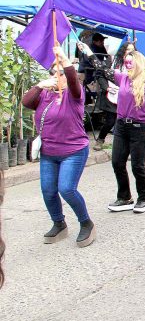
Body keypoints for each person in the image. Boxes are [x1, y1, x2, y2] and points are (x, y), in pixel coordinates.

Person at [22, 46, 96, 247]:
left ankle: (86, 223)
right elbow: (26, 102)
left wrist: (64, 60)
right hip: (49, 153)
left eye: (60, 72)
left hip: (73, 151)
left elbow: (73, 80)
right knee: (48, 190)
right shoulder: (45, 95)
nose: (56, 76)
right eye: (52, 72)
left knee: (66, 189)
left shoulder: (74, 95)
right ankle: (59, 223)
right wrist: (39, 85)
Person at [79, 42, 145, 213]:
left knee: (137, 166)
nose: (127, 64)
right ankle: (125, 197)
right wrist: (87, 51)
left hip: (140, 129)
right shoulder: (122, 78)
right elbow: (101, 67)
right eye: (126, 61)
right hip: (121, 126)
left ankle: (143, 198)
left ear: (138, 63)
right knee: (117, 162)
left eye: (130, 61)